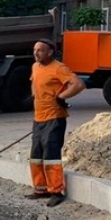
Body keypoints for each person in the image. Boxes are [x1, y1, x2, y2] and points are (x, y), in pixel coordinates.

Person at [27, 38, 85, 207]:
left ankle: (56, 191)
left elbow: (78, 84)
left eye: (40, 50)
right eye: (35, 50)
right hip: (38, 118)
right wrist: (34, 96)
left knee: (50, 156)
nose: (36, 53)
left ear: (50, 52)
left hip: (54, 118)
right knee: (36, 155)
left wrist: (62, 97)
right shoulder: (35, 67)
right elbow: (34, 83)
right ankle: (40, 189)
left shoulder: (58, 68)